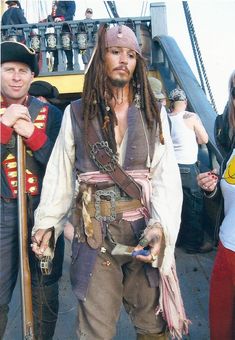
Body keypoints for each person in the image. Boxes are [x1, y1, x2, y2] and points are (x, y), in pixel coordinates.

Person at [31, 24, 189, 339]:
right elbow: (61, 176)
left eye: (130, 55)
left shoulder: (152, 114)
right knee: (95, 330)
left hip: (142, 231)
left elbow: (165, 179)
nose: (122, 60)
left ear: (137, 63)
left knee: (152, 325)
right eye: (115, 52)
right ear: (101, 58)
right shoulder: (76, 113)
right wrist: (47, 223)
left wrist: (160, 228)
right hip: (93, 234)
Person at [0, 41, 64, 340]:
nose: (16, 76)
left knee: (45, 287)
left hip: (44, 210)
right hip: (2, 214)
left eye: (23, 70)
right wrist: (5, 125)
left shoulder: (50, 114)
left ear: (30, 76)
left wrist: (33, 135)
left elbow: (64, 166)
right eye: (9, 69)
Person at [197, 70, 235, 340]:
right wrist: (212, 189)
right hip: (227, 249)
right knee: (220, 331)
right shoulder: (231, 146)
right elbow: (225, 202)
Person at [168, 88, 212, 254]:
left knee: (176, 207)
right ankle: (193, 244)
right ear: (185, 102)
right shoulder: (190, 117)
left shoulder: (167, 118)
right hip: (188, 168)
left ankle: (177, 241)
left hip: (172, 169)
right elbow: (204, 139)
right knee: (194, 207)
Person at [51, 0, 76, 71]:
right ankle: (55, 66)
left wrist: (62, 19)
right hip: (57, 27)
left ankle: (70, 66)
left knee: (67, 46)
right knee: (55, 47)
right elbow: (53, 15)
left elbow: (71, 12)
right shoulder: (56, 2)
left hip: (65, 26)